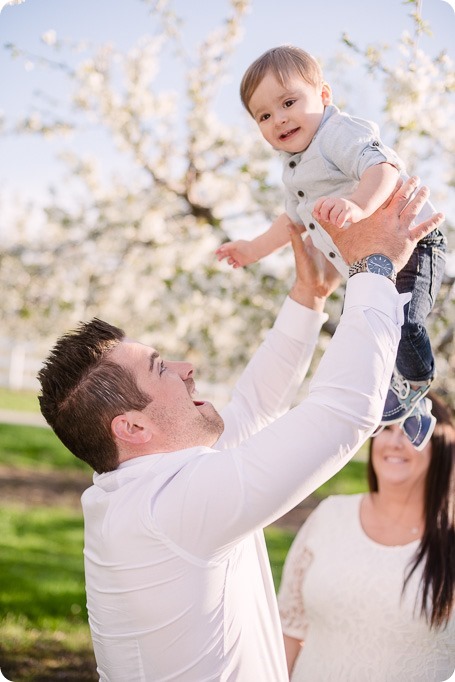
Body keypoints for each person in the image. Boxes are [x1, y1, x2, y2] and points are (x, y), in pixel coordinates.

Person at [37, 179, 442, 681]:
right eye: (161, 367)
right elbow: (342, 412)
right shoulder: (168, 507)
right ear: (133, 425)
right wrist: (373, 268)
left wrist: (308, 296)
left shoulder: (147, 486)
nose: (187, 367)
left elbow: (251, 410)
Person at [215, 45, 447, 449]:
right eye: (264, 116)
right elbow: (292, 220)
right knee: (371, 333)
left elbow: (383, 168)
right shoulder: (294, 169)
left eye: (289, 102)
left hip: (414, 243)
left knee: (403, 320)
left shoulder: (336, 134)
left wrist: (357, 204)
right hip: (370, 266)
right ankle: (413, 411)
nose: (279, 119)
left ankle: (416, 380)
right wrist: (252, 249)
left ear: (324, 95)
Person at [277, 390, 455, 682]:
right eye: (386, 428)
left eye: (410, 429)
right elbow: (289, 628)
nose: (394, 442)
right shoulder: (330, 515)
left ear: (440, 445)